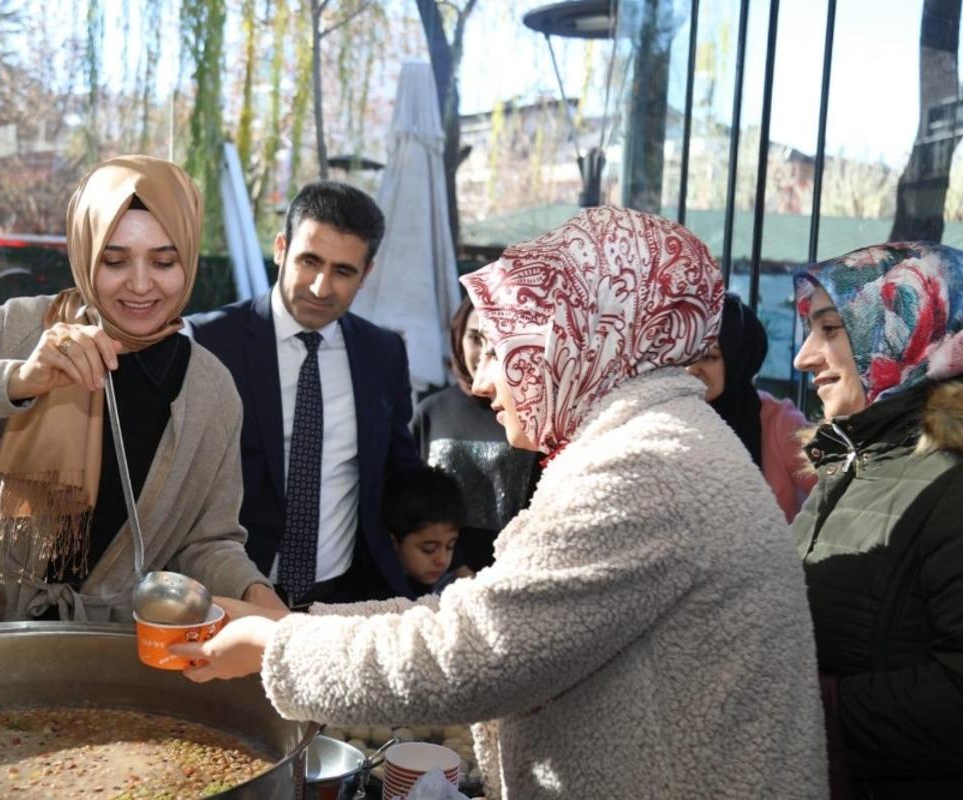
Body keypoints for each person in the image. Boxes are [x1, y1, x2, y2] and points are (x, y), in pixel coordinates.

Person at [174, 207, 828, 799]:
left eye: (505, 346)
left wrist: (277, 647)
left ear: (576, 340)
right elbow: (480, 611)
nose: (484, 379)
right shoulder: (650, 440)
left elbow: (473, 654)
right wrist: (293, 622)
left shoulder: (643, 465)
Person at [0, 156, 282, 626]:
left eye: (164, 260)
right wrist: (17, 379)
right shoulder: (21, 328)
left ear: (190, 260)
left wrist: (255, 593)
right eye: (113, 260)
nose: (140, 284)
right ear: (84, 251)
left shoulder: (210, 390)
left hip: (105, 651)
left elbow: (209, 542)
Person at [187, 181, 421, 607]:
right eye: (309, 262)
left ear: (366, 274)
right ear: (280, 248)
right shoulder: (208, 342)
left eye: (343, 271)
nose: (321, 287)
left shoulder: (383, 353)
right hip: (230, 593)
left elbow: (399, 471)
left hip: (346, 597)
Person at [791, 242, 963, 799]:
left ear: (911, 330)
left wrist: (811, 705)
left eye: (832, 329)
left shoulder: (950, 482)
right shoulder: (850, 460)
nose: (804, 357)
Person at [412, 295, 540, 570]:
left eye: (494, 348)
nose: (481, 354)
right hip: (437, 571)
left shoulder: (529, 414)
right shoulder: (431, 411)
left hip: (516, 568)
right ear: (458, 337)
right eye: (475, 339)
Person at [686, 294, 817, 521]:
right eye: (682, 356)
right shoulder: (658, 418)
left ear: (740, 361)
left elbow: (836, 492)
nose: (690, 369)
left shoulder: (778, 422)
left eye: (709, 357)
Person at [383, 465, 469, 597]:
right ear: (394, 543)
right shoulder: (378, 598)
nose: (442, 560)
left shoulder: (451, 588)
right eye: (429, 549)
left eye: (450, 546)